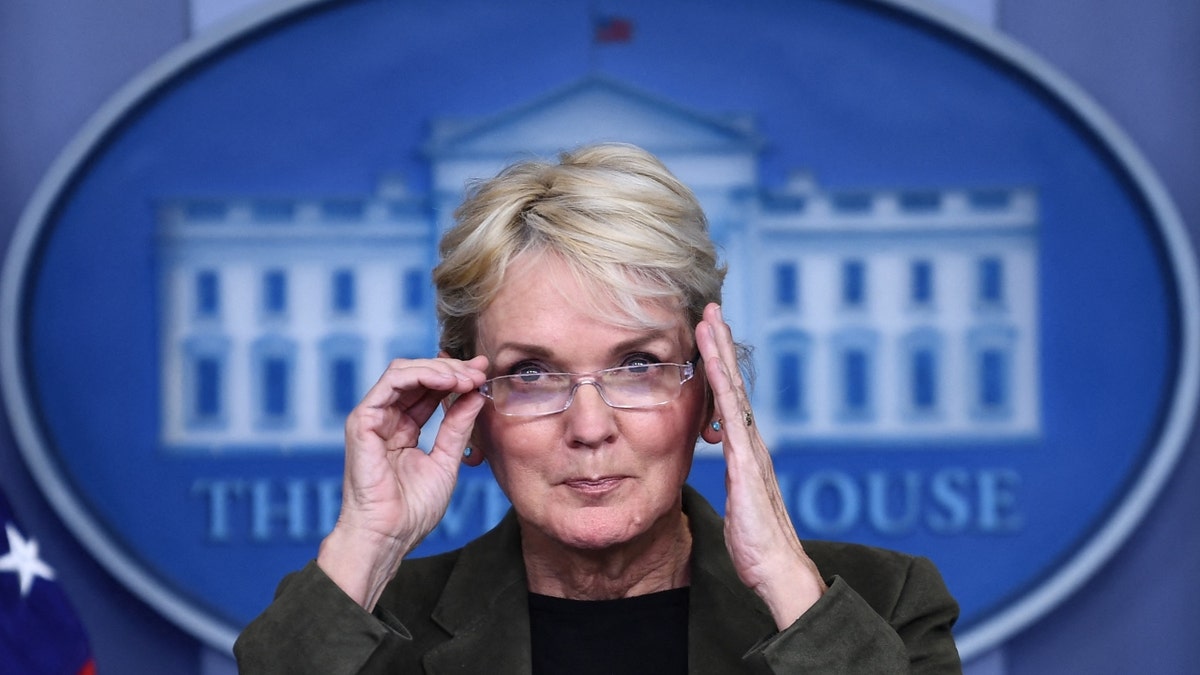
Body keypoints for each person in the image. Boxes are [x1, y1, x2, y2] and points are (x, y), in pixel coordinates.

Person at [234, 143, 962, 673]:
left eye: (638, 365)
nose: (588, 428)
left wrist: (783, 580)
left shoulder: (878, 601)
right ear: (470, 412)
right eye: (532, 373)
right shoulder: (371, 628)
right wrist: (368, 544)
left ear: (711, 392)